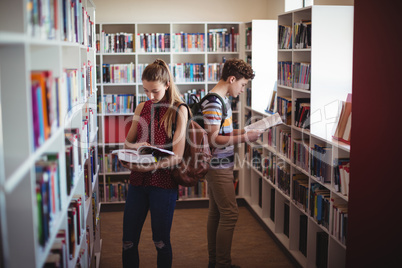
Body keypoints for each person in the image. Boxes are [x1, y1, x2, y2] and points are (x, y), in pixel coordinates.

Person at [121, 59, 188, 268]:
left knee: (160, 242)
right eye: (146, 90)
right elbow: (127, 142)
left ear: (167, 85)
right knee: (128, 241)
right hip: (137, 182)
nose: (150, 96)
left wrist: (151, 166)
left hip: (163, 183)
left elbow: (177, 156)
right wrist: (134, 147)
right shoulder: (142, 106)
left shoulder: (179, 109)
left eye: (155, 91)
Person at [201, 58, 262, 268]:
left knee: (217, 212)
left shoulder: (222, 100)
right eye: (243, 85)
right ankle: (222, 264)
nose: (243, 89)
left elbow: (224, 132)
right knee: (230, 213)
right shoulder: (214, 101)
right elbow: (213, 139)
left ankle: (215, 261)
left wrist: (246, 131)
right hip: (217, 166)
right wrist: (245, 138)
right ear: (232, 79)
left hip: (221, 164)